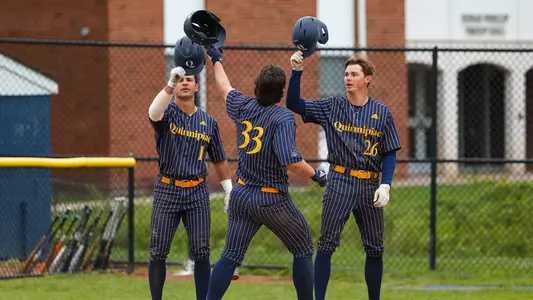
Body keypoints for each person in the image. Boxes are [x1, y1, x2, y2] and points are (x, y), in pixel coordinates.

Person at [204, 46, 327, 300]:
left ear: (255, 86)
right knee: (303, 248)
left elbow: (224, 87)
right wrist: (317, 175)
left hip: (241, 195)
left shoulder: (244, 106)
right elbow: (291, 162)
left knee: (230, 255)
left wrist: (215, 58)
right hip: (270, 199)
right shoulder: (282, 117)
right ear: (282, 93)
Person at [287, 51, 402, 300]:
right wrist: (297, 71)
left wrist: (386, 185)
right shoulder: (333, 106)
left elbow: (390, 153)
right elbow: (295, 104)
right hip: (339, 180)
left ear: (367, 79)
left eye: (354, 74)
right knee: (326, 245)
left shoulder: (382, 113)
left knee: (374, 249)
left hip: (370, 183)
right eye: (346, 74)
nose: (348, 78)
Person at [147, 61, 237, 299]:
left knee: (201, 252)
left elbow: (218, 158)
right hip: (168, 188)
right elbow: (153, 113)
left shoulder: (209, 122)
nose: (185, 83)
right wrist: (169, 84)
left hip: (197, 190)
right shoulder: (167, 114)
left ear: (197, 86)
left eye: (189, 80)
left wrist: (229, 189)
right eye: (181, 79)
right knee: (158, 252)